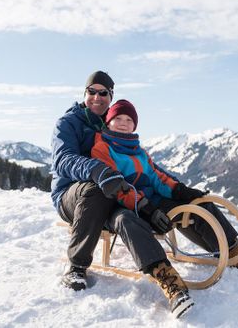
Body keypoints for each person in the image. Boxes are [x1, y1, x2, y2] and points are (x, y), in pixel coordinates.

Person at [50, 71, 194, 318]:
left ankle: (169, 281)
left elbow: (141, 163)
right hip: (72, 195)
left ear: (110, 96)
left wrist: (168, 193)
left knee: (126, 218)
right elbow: (63, 159)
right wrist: (97, 170)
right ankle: (77, 266)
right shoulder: (68, 123)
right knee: (95, 190)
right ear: (84, 94)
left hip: (114, 194)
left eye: (103, 92)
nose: (97, 97)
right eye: (91, 91)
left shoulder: (113, 122)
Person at [91, 99, 238, 275]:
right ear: (108, 122)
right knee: (196, 213)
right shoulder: (102, 149)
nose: (123, 123)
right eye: (118, 118)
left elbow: (157, 178)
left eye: (129, 119)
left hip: (154, 202)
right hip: (134, 208)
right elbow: (117, 187)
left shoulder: (139, 151)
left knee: (201, 204)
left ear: (134, 125)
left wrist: (180, 190)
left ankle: (235, 248)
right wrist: (146, 207)